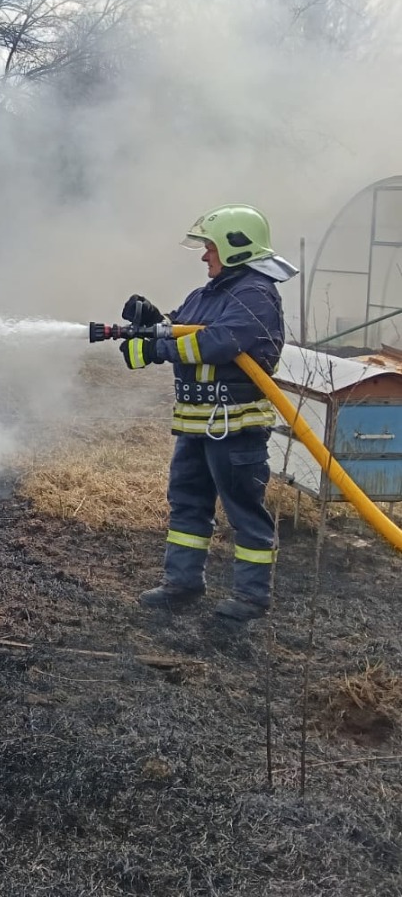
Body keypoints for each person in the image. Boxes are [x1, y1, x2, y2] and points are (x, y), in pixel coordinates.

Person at [119, 204, 298, 622]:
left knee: (244, 512)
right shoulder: (208, 294)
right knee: (187, 505)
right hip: (196, 426)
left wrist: (154, 348)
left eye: (211, 247)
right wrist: (154, 324)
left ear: (237, 247)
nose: (204, 256)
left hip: (235, 428)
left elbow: (218, 342)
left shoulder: (256, 293)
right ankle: (182, 584)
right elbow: (184, 327)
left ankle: (250, 601)